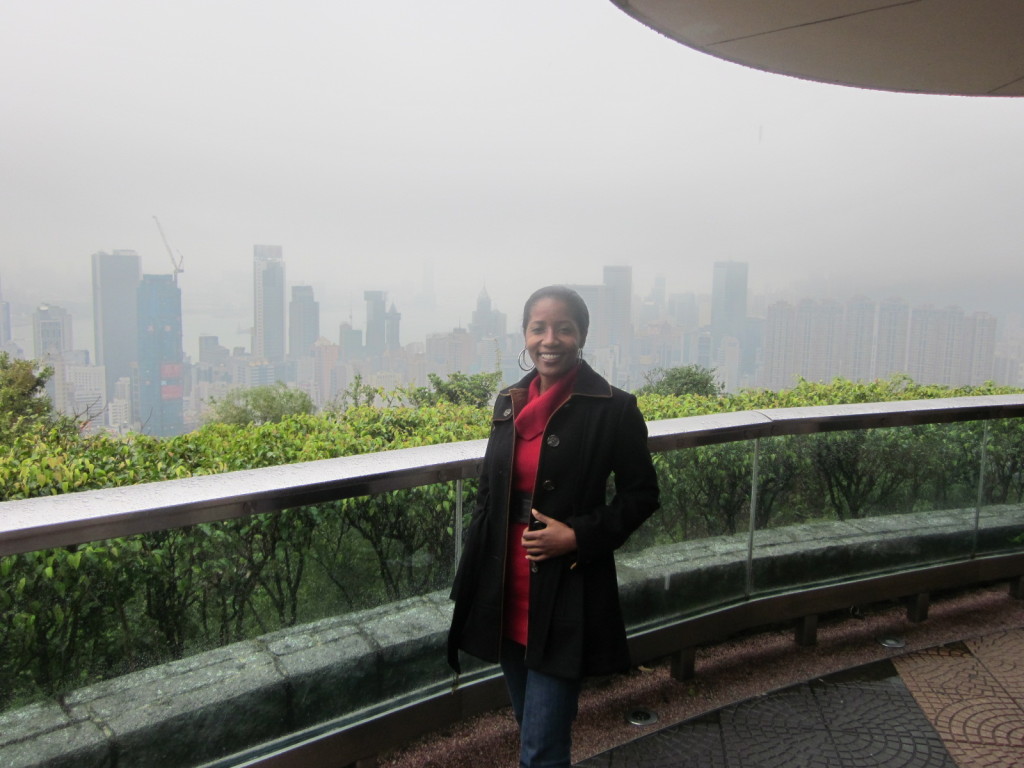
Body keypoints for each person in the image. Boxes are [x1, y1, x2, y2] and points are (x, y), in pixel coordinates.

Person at [448, 285, 660, 768]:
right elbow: (489, 492)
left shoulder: (614, 408)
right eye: (538, 327)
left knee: (542, 748)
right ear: (524, 335)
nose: (551, 339)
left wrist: (579, 536)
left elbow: (641, 495)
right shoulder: (509, 401)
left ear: (581, 334)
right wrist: (474, 574)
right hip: (505, 590)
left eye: (564, 327)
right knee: (531, 732)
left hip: (566, 594)